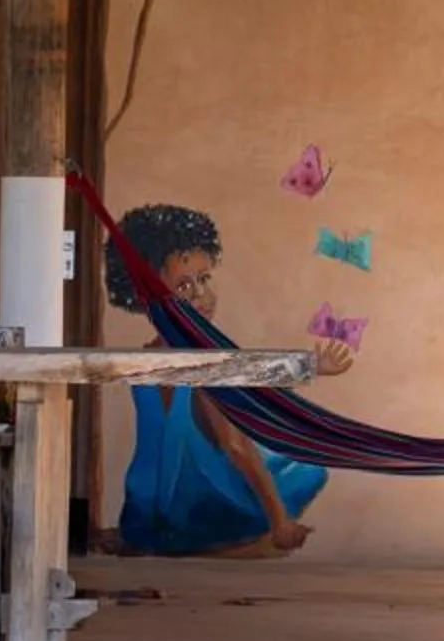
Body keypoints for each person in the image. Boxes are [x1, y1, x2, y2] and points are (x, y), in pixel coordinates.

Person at [104, 203, 355, 557]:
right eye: (183, 285)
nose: (200, 295)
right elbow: (236, 446)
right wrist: (280, 520)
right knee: (307, 465)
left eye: (204, 279)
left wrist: (311, 366)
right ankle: (234, 535)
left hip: (151, 518)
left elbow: (248, 376)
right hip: (201, 511)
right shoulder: (205, 362)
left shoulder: (147, 357)